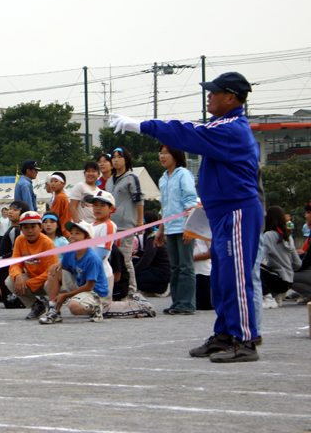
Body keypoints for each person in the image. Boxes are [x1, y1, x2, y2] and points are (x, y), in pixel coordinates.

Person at [111, 71, 263, 363]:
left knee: (236, 276)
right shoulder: (223, 125)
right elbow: (191, 130)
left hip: (238, 210)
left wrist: (139, 125)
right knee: (221, 277)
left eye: (214, 92)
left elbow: (186, 131)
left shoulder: (230, 128)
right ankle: (226, 334)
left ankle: (245, 339)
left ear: (230, 97)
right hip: (222, 211)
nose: (209, 95)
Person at [154, 145, 198, 315]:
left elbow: (190, 201)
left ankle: (186, 304)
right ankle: (177, 302)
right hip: (170, 228)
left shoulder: (183, 174)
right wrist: (160, 230)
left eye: (166, 153)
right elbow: (164, 207)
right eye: (161, 153)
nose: (162, 156)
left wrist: (190, 228)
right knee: (174, 266)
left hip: (183, 226)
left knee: (185, 266)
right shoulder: (163, 178)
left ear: (176, 155)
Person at [42, 221, 109, 323]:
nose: (72, 236)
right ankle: (53, 310)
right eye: (71, 233)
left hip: (95, 291)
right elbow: (65, 267)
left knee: (74, 307)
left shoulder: (92, 258)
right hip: (79, 283)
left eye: (77, 233)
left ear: (87, 239)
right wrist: (58, 264)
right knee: (54, 272)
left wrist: (65, 295)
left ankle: (96, 307)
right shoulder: (70, 249)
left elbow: (89, 286)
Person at [105, 147, 143, 296]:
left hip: (126, 226)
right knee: (113, 261)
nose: (116, 160)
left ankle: (131, 292)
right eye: (113, 157)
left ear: (126, 159)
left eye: (119, 157)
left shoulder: (131, 178)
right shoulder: (109, 181)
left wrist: (140, 222)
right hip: (112, 226)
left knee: (126, 260)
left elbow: (139, 199)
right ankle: (117, 292)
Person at [5, 211, 57, 319]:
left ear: (40, 227)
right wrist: (18, 276)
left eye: (33, 226)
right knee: (10, 280)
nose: (29, 231)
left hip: (48, 281)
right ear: (21, 229)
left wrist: (28, 283)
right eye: (25, 227)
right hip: (33, 278)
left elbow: (51, 271)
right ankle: (36, 305)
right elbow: (15, 264)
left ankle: (54, 308)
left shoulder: (47, 243)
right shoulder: (20, 240)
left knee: (50, 282)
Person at [261, 206, 301, 309]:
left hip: (277, 280)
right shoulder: (288, 236)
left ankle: (267, 297)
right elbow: (297, 263)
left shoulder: (268, 236)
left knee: (253, 267)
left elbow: (261, 259)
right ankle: (276, 296)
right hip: (288, 282)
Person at [134, 211, 171, 296]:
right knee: (135, 262)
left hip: (161, 272)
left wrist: (133, 273)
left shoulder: (152, 238)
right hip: (164, 270)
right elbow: (152, 254)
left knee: (133, 278)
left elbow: (147, 259)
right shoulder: (156, 235)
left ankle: (157, 288)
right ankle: (159, 286)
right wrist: (140, 252)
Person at [48, 172, 72, 238]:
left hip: (61, 233)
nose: (52, 183)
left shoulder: (60, 197)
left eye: (56, 181)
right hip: (64, 232)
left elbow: (52, 216)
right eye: (51, 181)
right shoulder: (61, 196)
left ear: (63, 184)